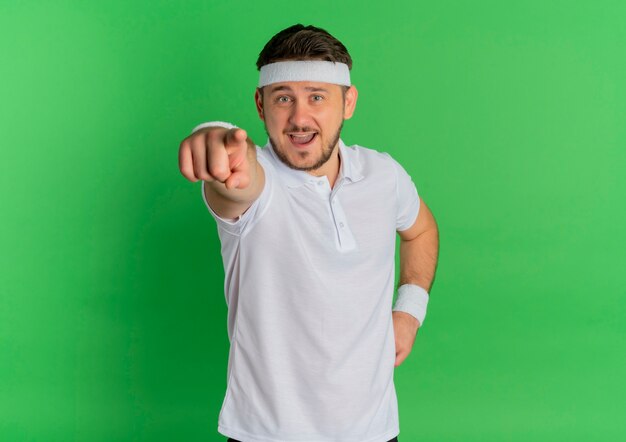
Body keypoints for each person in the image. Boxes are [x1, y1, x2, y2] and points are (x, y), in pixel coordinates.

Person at [178, 23, 439, 442]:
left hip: (374, 431)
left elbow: (421, 230)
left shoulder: (384, 176)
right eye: (284, 99)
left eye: (317, 97)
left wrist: (408, 312)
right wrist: (214, 138)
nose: (300, 118)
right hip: (264, 434)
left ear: (348, 102)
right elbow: (234, 178)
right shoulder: (256, 183)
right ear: (260, 105)